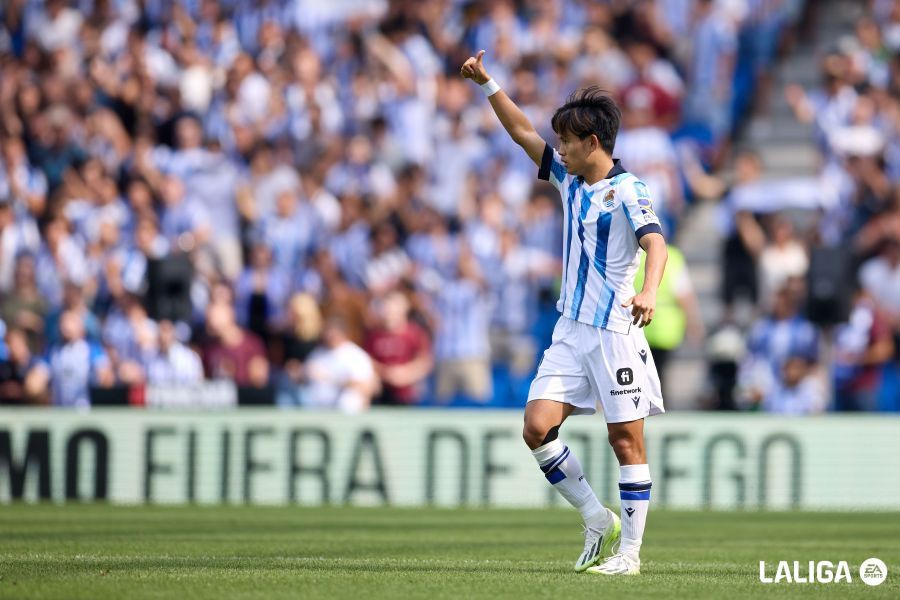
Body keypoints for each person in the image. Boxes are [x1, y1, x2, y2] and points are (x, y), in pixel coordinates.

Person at [461, 51, 668, 576]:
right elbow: (522, 131)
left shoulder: (630, 190)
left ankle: (630, 556)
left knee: (626, 440)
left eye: (567, 141)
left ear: (592, 143)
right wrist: (488, 85)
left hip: (615, 331)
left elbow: (657, 245)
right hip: (570, 330)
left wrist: (650, 292)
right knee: (536, 426)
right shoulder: (568, 180)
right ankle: (598, 520)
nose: (559, 149)